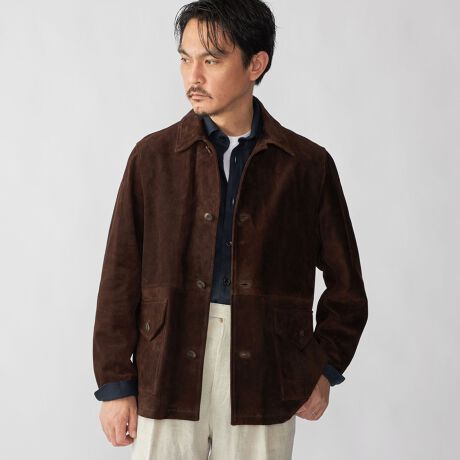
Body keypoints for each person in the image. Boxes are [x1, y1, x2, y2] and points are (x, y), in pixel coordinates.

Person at [92, 1, 368, 458]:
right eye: (185, 59)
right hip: (167, 365)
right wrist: (116, 383)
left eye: (212, 60)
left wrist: (324, 367)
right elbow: (119, 276)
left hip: (266, 372)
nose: (193, 76)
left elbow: (347, 286)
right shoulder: (152, 158)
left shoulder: (306, 166)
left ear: (255, 64)